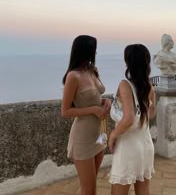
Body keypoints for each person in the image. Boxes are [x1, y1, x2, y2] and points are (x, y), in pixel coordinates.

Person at [61, 35, 111, 195]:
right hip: (83, 137)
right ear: (86, 51)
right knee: (89, 190)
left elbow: (94, 96)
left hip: (101, 132)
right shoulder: (73, 76)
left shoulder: (92, 71)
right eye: (93, 49)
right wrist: (93, 110)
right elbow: (66, 111)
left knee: (92, 183)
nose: (96, 52)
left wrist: (105, 101)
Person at [109, 44, 156, 195]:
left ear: (128, 62)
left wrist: (113, 135)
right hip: (146, 144)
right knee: (143, 191)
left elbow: (128, 118)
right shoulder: (149, 86)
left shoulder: (125, 85)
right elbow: (151, 114)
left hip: (128, 146)